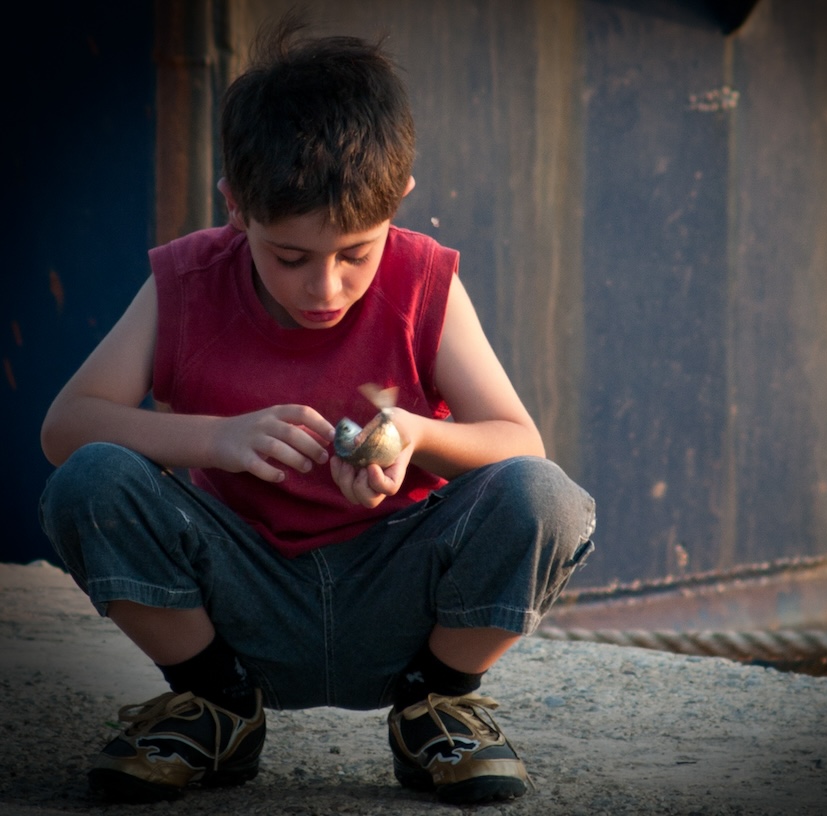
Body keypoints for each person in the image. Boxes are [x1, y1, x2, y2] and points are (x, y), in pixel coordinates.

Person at [38, 18, 595, 807]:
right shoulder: (189, 280)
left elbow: (520, 443)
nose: (324, 289)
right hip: (239, 600)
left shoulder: (424, 281)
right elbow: (65, 429)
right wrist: (218, 439)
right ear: (237, 206)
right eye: (289, 257)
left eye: (356, 254)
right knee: (90, 480)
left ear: (398, 203)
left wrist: (413, 437)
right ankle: (214, 703)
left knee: (545, 498)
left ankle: (435, 703)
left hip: (399, 599)